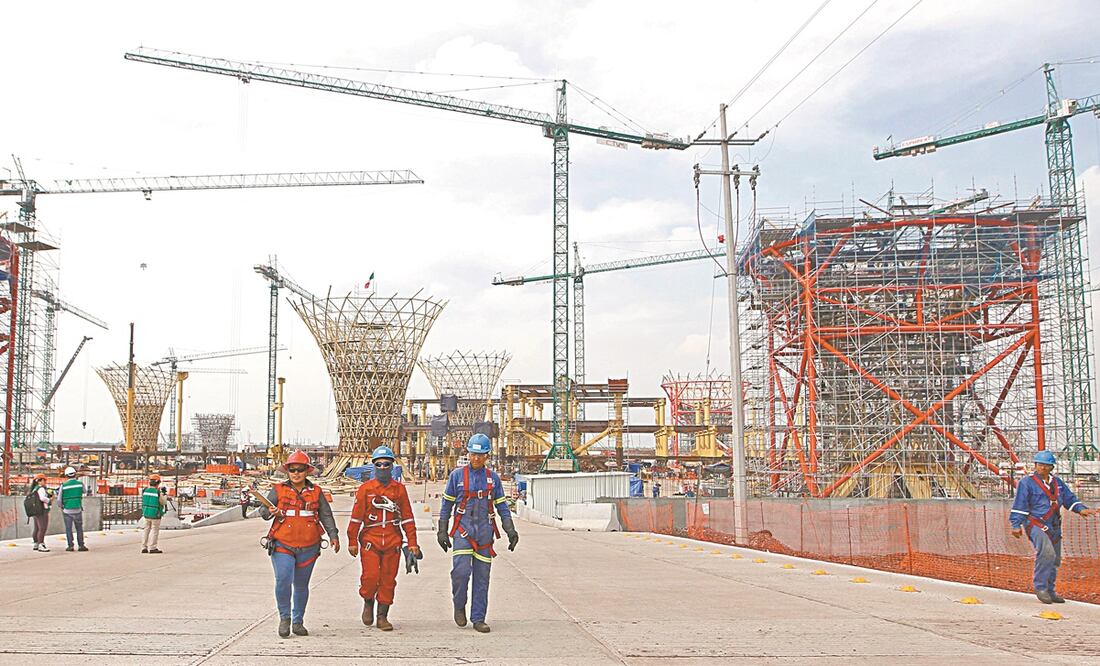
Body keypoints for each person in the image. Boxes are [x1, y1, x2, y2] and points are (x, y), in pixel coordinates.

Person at [437, 434, 519, 634]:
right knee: (461, 573)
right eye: (473, 454)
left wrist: (510, 529)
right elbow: (447, 504)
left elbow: (502, 506)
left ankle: (478, 618)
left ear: (487, 456)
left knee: (482, 578)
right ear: (468, 453)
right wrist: (442, 529)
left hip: (484, 534)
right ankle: (459, 605)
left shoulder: (493, 479)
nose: (476, 459)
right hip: (463, 532)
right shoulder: (457, 476)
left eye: (480, 455)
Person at [260, 450, 340, 638]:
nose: (296, 473)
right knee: (283, 579)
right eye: (292, 470)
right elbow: (263, 512)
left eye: (300, 469)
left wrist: (333, 535)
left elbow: (326, 515)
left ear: (307, 471)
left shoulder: (316, 492)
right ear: (287, 471)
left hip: (309, 547)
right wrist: (271, 511)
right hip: (282, 545)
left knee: (302, 585)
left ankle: (298, 622)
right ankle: (285, 618)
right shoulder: (278, 490)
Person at [347, 445, 420, 631]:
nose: (382, 468)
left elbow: (408, 518)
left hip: (393, 542)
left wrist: (412, 543)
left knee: (388, 580)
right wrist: (352, 541)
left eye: (386, 464)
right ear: (373, 466)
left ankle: (382, 616)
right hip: (370, 541)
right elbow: (355, 518)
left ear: (392, 465)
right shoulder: (366, 489)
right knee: (370, 577)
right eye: (378, 464)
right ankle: (368, 601)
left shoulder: (399, 490)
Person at [1010, 450, 1097, 603]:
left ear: (1051, 467)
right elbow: (1020, 505)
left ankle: (1050, 590)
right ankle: (1041, 587)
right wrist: (1016, 524)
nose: (1042, 468)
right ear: (1035, 465)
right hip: (1035, 523)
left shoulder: (1058, 483)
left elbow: (1070, 499)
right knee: (1047, 553)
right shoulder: (1026, 483)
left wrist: (1080, 509)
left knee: (1055, 559)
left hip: (1054, 524)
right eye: (1039, 464)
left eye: (1046, 465)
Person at [59, 466, 88, 552]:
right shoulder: (80, 484)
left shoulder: (63, 485)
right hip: (78, 509)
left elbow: (59, 499)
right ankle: (81, 545)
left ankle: (70, 546)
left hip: (67, 510)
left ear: (66, 476)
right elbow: (85, 491)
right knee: (79, 528)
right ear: (75, 474)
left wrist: (62, 506)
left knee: (68, 528)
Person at [141, 474, 168, 554]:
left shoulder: (145, 490)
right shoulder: (158, 492)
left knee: (146, 530)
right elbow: (163, 502)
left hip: (146, 513)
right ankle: (152, 547)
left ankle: (144, 547)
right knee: (155, 530)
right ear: (158, 483)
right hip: (155, 514)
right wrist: (164, 494)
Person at [29, 473, 53, 552]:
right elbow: (42, 498)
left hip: (36, 511)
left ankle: (36, 543)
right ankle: (41, 544)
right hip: (42, 510)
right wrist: (50, 499)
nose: (45, 482)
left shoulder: (34, 489)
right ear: (39, 481)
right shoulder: (41, 489)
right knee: (42, 528)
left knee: (36, 528)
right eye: (44, 480)